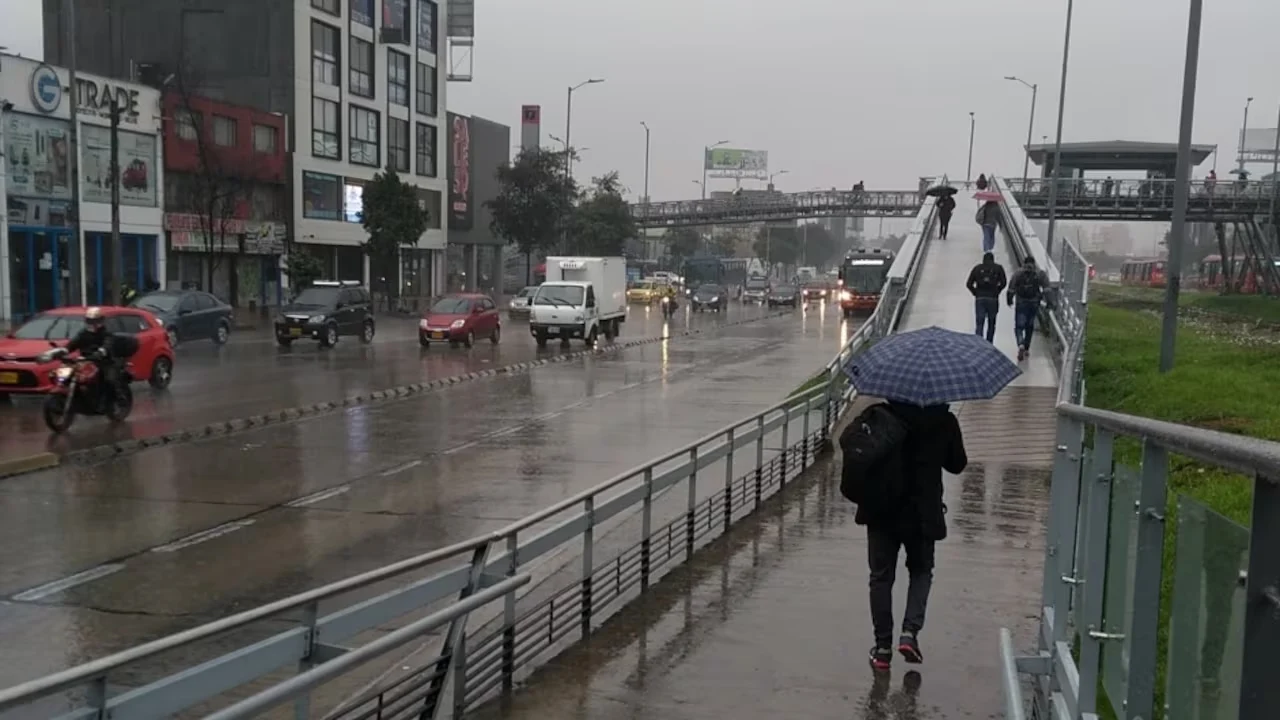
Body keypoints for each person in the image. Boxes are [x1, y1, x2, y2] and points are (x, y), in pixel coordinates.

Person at [852, 400, 968, 671]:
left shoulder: (882, 415)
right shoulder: (944, 420)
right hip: (922, 514)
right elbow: (957, 464)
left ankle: (882, 650)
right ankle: (909, 634)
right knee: (921, 571)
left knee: (881, 577)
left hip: (881, 510)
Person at [65, 307, 124, 412]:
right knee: (70, 375)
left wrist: (101, 352)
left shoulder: (106, 333)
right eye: (90, 321)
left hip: (105, 362)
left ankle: (119, 399)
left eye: (95, 321)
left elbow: (107, 344)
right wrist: (63, 351)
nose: (92, 323)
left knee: (109, 379)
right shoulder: (83, 333)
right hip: (86, 361)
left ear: (101, 320)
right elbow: (73, 344)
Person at [1007, 256, 1050, 361]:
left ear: (1024, 263)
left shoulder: (1018, 273)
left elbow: (1011, 288)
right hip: (1034, 303)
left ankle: (1020, 344)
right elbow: (1047, 289)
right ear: (1034, 263)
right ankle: (1026, 348)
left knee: (1019, 326)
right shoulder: (1039, 273)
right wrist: (1049, 302)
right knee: (1029, 326)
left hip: (1021, 302)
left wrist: (1009, 300)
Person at [966, 252, 1007, 342]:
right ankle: (989, 343)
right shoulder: (998, 268)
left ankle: (979, 342)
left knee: (980, 322)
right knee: (991, 323)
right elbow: (1004, 282)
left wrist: (975, 293)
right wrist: (997, 290)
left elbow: (969, 284)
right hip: (993, 298)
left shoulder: (977, 268)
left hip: (980, 298)